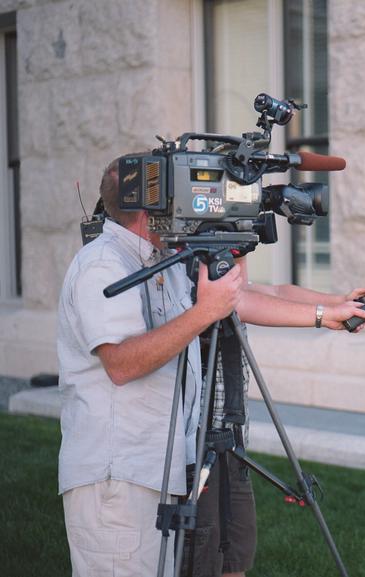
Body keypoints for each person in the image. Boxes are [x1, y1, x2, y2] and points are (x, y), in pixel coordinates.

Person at [57, 158, 244, 577]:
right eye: (176, 197)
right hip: (118, 479)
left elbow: (241, 298)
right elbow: (120, 364)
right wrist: (203, 313)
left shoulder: (155, 260)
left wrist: (327, 311)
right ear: (149, 209)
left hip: (153, 470)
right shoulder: (102, 264)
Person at [184, 269, 365, 577]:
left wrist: (339, 301)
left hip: (231, 435)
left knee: (235, 559)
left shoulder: (222, 265)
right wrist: (325, 315)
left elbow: (271, 292)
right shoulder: (192, 268)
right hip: (195, 441)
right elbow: (241, 302)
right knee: (201, 561)